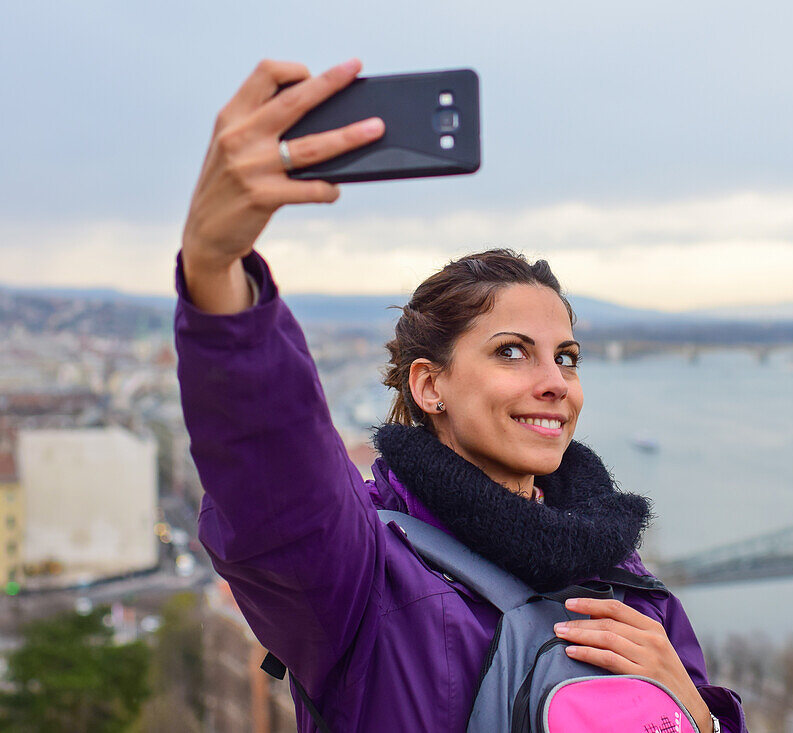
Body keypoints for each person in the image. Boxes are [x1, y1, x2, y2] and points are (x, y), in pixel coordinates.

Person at [176, 57, 747, 732]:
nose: (555, 382)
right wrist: (214, 267)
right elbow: (274, 465)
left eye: (566, 357)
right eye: (512, 350)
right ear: (430, 384)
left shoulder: (620, 570)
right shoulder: (361, 575)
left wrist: (702, 715)